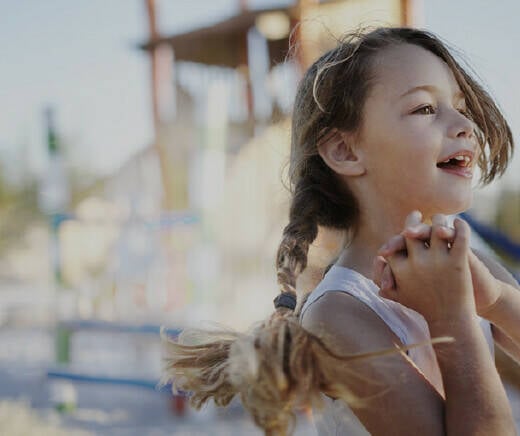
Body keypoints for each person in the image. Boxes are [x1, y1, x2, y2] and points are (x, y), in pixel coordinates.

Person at [162, 27, 519, 435]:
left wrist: (495, 301)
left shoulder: (467, 261)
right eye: (424, 108)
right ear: (345, 151)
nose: (464, 124)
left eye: (459, 106)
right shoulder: (340, 315)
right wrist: (453, 318)